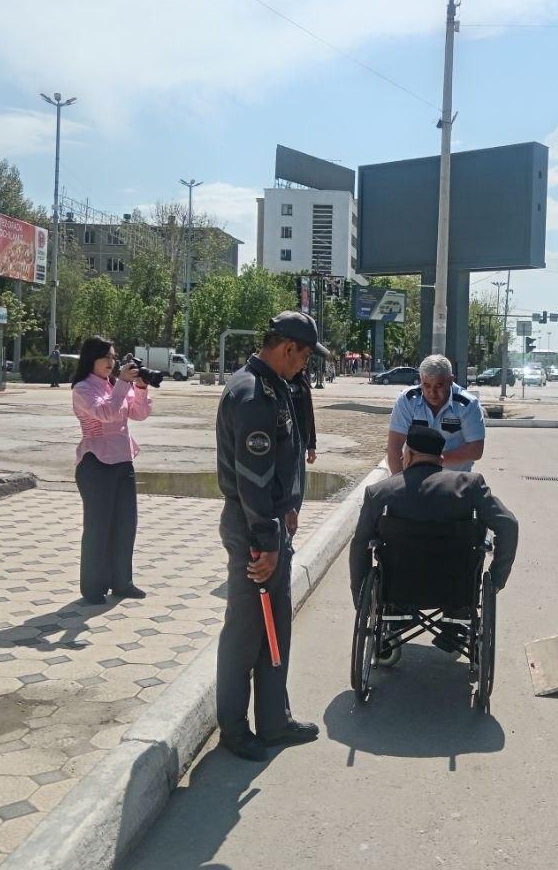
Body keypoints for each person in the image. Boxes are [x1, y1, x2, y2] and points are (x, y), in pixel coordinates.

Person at [214, 311, 327, 761]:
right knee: (245, 634)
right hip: (253, 528)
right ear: (287, 348)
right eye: (305, 357)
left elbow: (281, 461)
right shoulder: (252, 394)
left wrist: (289, 505)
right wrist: (266, 541)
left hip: (270, 521)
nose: (306, 365)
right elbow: (252, 477)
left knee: (274, 626)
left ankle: (274, 720)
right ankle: (234, 728)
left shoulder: (275, 386)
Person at [351, 424, 518, 649]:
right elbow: (508, 525)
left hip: (397, 588)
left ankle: (398, 615)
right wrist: (497, 578)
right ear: (440, 459)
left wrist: (360, 597)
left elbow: (360, 544)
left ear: (408, 455)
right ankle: (455, 625)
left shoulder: (379, 493)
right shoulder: (470, 486)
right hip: (457, 588)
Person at [70, 336, 152, 604]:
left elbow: (138, 413)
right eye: (105, 357)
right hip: (96, 463)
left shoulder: (115, 384)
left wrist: (141, 387)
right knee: (98, 527)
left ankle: (122, 582)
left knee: (126, 525)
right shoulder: (83, 388)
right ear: (90, 359)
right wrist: (124, 384)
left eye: (113, 357)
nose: (111, 362)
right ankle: (93, 587)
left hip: (123, 461)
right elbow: (106, 413)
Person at [386, 354, 485, 474]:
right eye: (426, 385)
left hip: (453, 479)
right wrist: (399, 483)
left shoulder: (468, 404)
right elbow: (394, 448)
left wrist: (431, 460)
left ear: (451, 380)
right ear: (420, 380)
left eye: (439, 386)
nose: (432, 393)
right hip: (415, 478)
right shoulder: (407, 400)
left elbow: (476, 449)